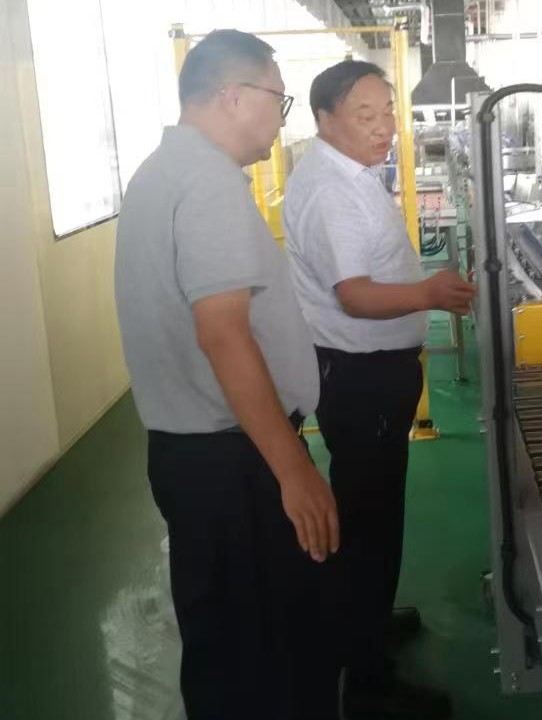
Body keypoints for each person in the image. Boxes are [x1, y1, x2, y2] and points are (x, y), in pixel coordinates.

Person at [114, 30, 341, 720]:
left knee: (226, 649)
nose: (282, 118)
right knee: (270, 659)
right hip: (235, 463)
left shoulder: (161, 173)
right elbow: (223, 334)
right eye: (279, 98)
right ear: (233, 95)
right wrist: (293, 469)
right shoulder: (207, 183)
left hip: (197, 457)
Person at [283, 60, 475, 720]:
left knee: (371, 513)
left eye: (388, 112)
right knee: (369, 524)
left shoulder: (349, 173)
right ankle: (366, 683)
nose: (384, 127)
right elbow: (356, 296)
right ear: (325, 119)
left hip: (368, 372)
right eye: (365, 116)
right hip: (360, 377)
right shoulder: (331, 192)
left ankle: (362, 622)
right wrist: (429, 293)